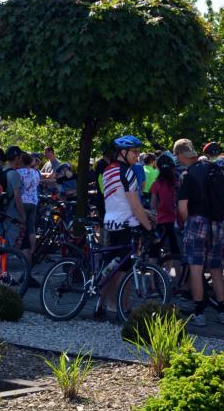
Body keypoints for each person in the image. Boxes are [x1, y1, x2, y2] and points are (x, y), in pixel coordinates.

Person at [174, 138, 224, 326]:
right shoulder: (214, 168)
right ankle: (223, 311)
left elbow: (182, 208)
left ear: (180, 154)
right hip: (218, 223)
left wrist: (185, 222)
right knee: (216, 268)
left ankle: (199, 312)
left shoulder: (187, 175)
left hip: (196, 222)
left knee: (196, 268)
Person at [101, 135, 153, 315]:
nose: (138, 155)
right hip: (127, 224)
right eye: (134, 152)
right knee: (125, 270)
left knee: (111, 268)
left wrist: (145, 213)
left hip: (111, 222)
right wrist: (148, 227)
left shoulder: (108, 170)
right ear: (123, 152)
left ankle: (104, 304)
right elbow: (135, 205)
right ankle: (121, 306)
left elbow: (119, 199)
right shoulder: (128, 172)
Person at [150, 152, 179, 257]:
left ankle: (152, 268)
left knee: (154, 251)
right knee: (176, 251)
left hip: (161, 221)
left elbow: (153, 205)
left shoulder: (156, 184)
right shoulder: (176, 183)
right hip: (175, 221)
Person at [2, 146, 27, 250]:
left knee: (2, 244)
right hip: (11, 214)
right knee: (11, 245)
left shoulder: (2, 170)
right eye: (21, 156)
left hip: (1, 212)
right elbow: (17, 197)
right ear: (17, 157)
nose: (21, 159)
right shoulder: (14, 175)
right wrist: (23, 216)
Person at [18, 152, 40, 261]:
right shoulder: (35, 172)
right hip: (33, 201)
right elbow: (37, 184)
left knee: (21, 225)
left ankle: (20, 247)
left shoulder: (18, 172)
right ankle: (32, 249)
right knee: (31, 227)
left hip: (22, 201)